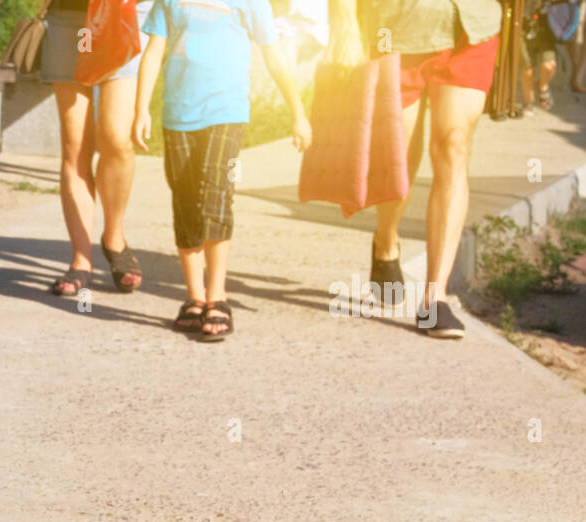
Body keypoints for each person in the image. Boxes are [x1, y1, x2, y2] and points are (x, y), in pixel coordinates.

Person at [132, 0, 311, 340]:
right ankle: (195, 298)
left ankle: (217, 297)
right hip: (178, 115)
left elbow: (274, 55)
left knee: (217, 196)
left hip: (228, 114)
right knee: (184, 202)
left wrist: (297, 112)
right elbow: (154, 50)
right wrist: (141, 109)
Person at [331, 0, 503, 339]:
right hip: (397, 28)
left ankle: (434, 299)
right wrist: (343, 22)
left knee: (453, 147)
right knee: (398, 154)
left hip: (472, 24)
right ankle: (386, 240)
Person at [44, 0, 155, 297]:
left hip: (125, 12)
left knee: (116, 138)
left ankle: (113, 236)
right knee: (75, 144)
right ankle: (81, 259)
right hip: (69, 15)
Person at [522, 0, 559, 113]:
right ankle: (529, 102)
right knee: (528, 69)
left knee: (549, 65)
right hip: (523, 23)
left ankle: (543, 85)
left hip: (546, 25)